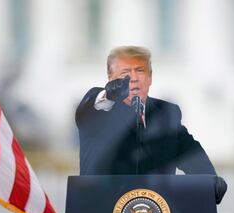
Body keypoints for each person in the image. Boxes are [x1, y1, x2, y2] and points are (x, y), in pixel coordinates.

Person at [75, 46, 216, 175]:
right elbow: (92, 109)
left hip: (157, 201)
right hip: (103, 201)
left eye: (140, 71)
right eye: (125, 73)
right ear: (111, 78)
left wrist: (210, 180)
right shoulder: (98, 106)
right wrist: (109, 95)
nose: (134, 78)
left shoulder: (167, 113)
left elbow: (191, 155)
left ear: (150, 78)